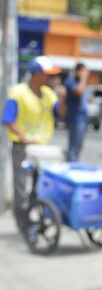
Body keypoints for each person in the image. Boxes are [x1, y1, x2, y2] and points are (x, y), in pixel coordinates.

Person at [2, 56, 66, 228]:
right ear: (37, 74)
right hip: (22, 147)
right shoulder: (18, 92)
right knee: (21, 187)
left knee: (40, 186)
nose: (52, 79)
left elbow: (61, 114)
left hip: (42, 149)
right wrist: (25, 138)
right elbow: (8, 119)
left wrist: (62, 99)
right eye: (48, 75)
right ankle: (23, 224)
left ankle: (32, 217)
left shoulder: (49, 95)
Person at [63, 62, 90, 162]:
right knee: (73, 146)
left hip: (82, 117)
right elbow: (79, 92)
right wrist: (83, 78)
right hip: (74, 118)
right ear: (78, 71)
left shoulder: (80, 82)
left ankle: (74, 162)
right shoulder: (70, 81)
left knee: (79, 145)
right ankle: (70, 164)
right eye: (84, 72)